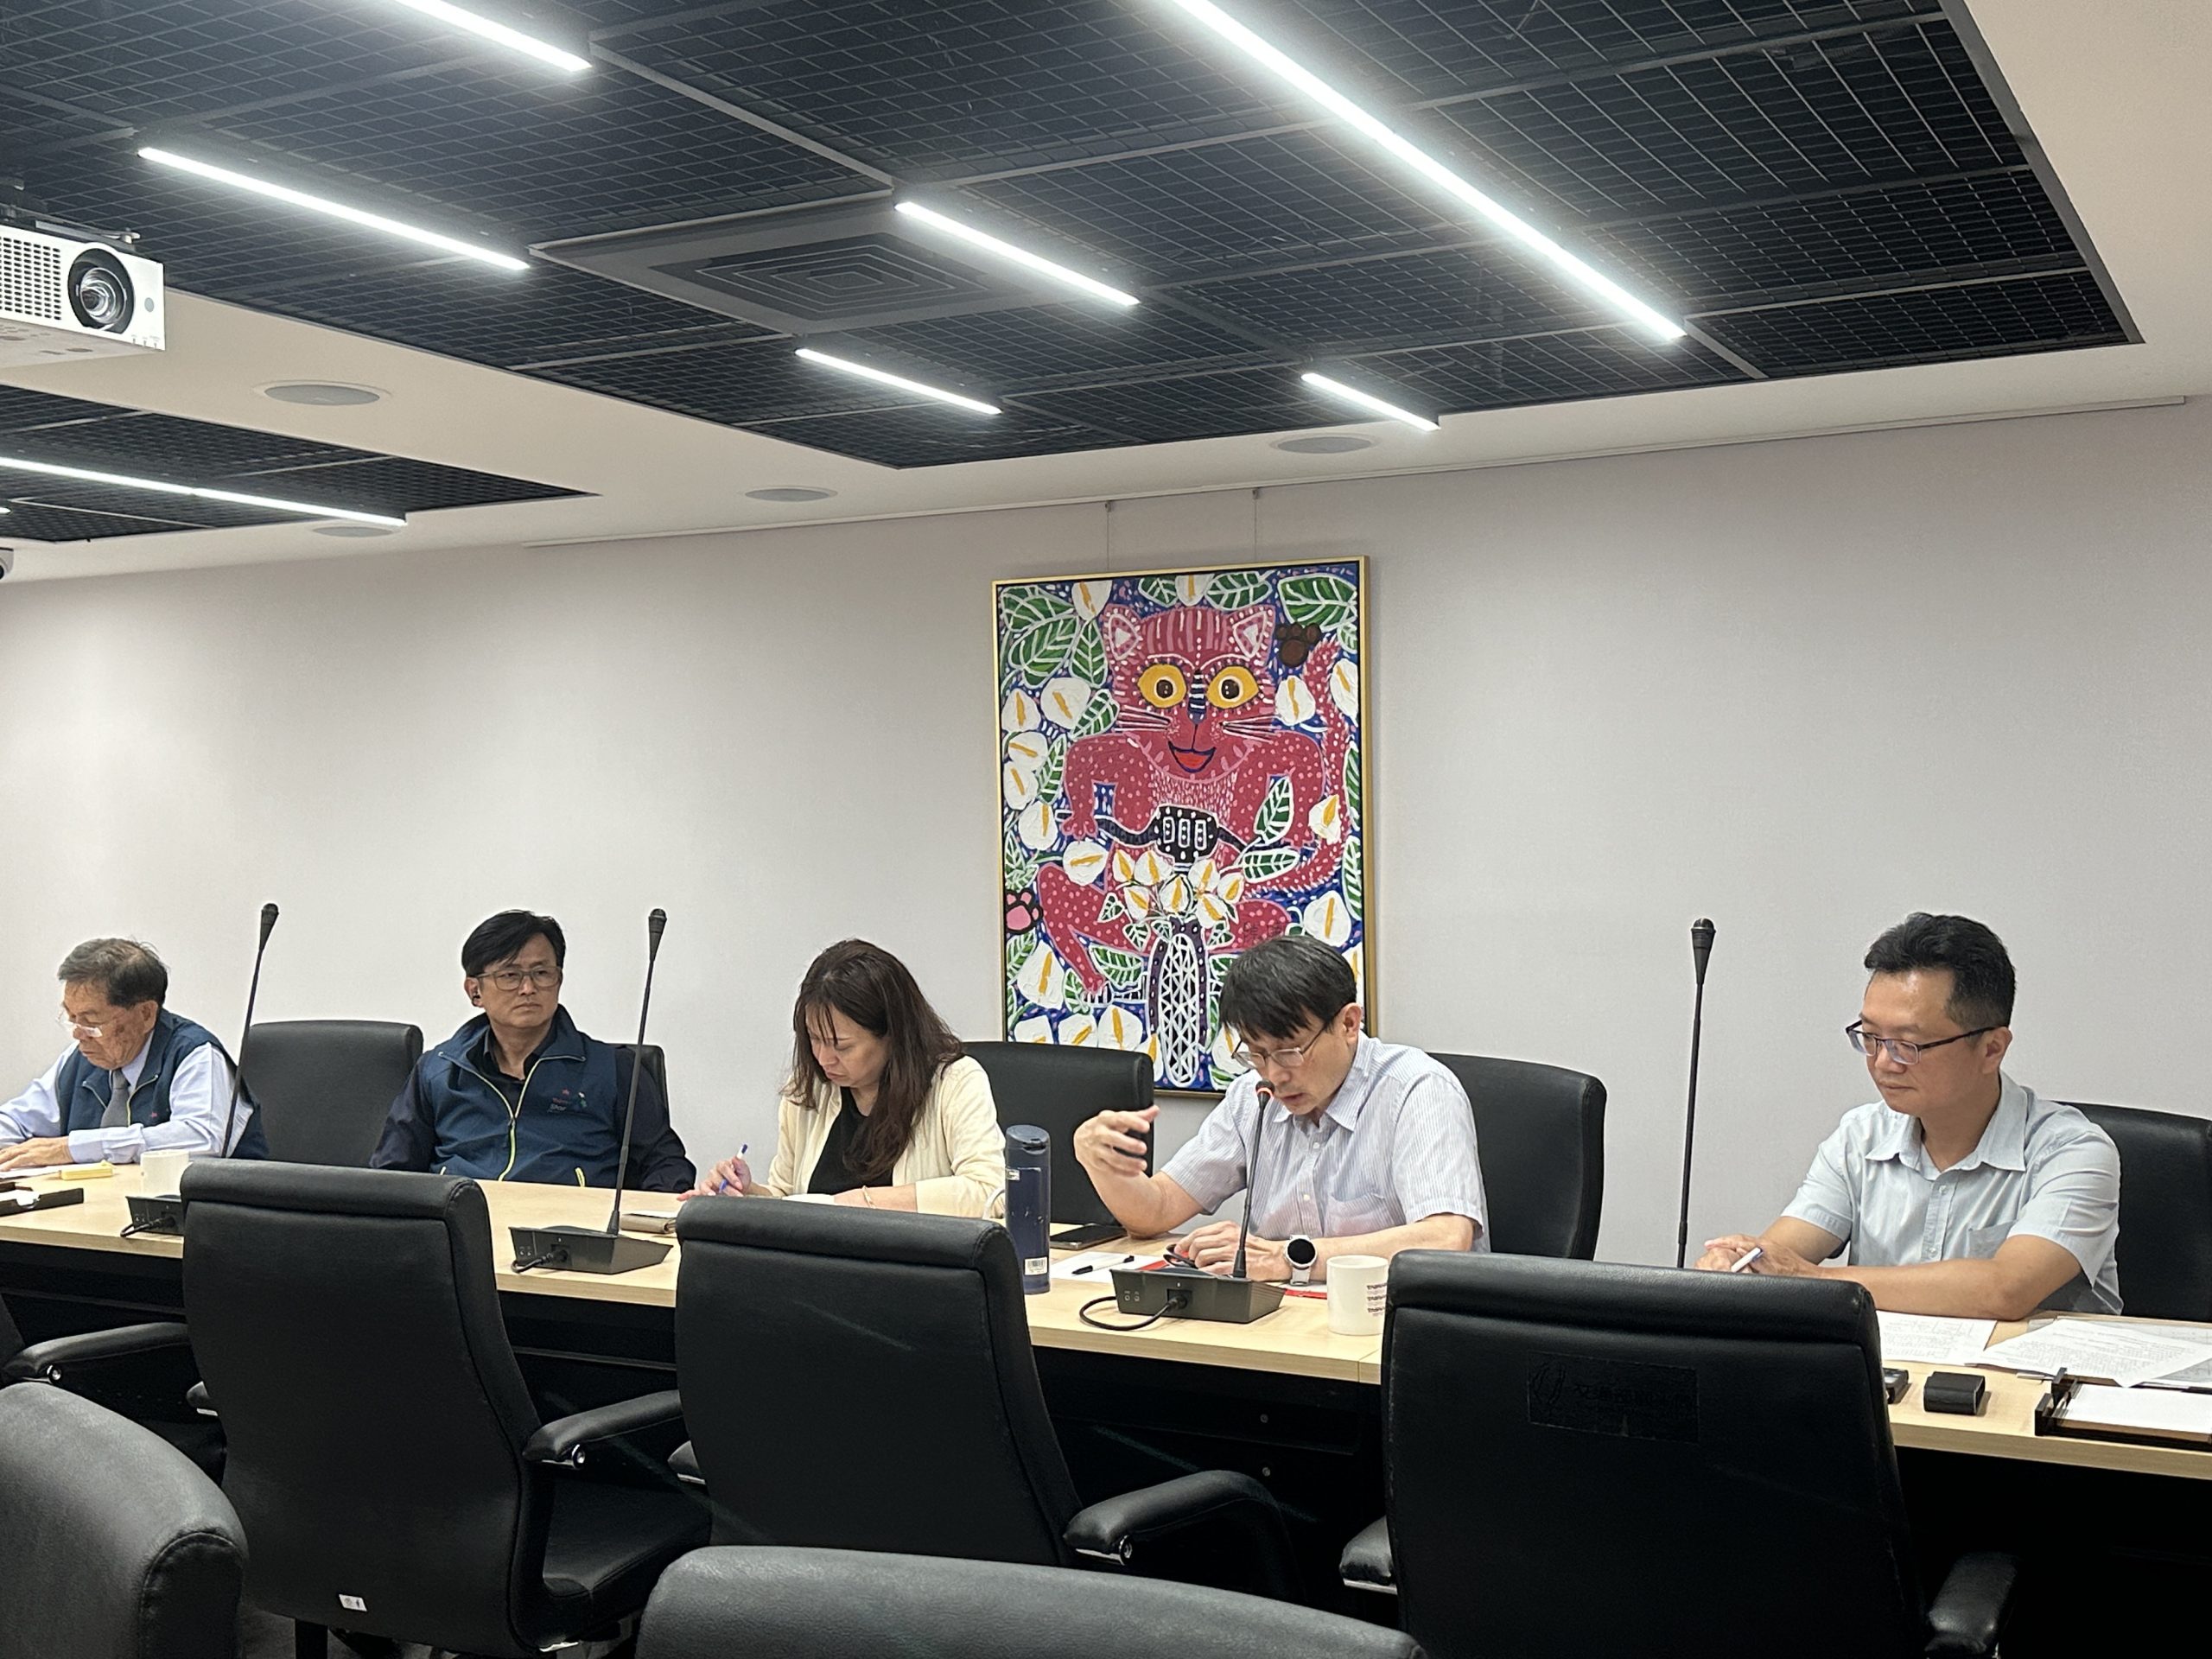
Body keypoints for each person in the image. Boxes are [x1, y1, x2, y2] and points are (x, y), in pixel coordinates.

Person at [1697, 912, 2120, 1319]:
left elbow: (2006, 1289)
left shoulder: (2073, 1152)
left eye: (1908, 1045)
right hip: (1892, 1368)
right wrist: (1738, 1264)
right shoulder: (1860, 1138)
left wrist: (1812, 1279)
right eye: (1870, 1037)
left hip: (2031, 1369)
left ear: (1991, 1049)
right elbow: (1780, 1255)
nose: (1883, 1063)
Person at [1071, 934, 1485, 1282]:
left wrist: (1289, 1258)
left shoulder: (1415, 1089)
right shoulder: (1253, 1097)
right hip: (1284, 1326)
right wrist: (1099, 1163)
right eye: (1256, 1054)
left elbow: (1446, 1238)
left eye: (1290, 1052)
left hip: (1396, 1328)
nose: (1274, 1074)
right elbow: (1155, 1211)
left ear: (1348, 1024)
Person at [371, 910, 693, 1191]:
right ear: (475, 991)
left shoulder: (615, 1070)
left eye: (541, 973)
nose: (528, 988)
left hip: (570, 1230)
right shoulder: (439, 1071)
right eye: (510, 975)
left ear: (559, 980)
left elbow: (666, 1165)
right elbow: (392, 1172)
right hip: (461, 1227)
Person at [690, 940, 1003, 1215]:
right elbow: (787, 1197)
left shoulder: (954, 1082)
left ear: (892, 1035)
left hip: (913, 1263)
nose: (824, 1058)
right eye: (814, 1039)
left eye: (842, 1046)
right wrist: (745, 1195)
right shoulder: (809, 1091)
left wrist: (858, 1203)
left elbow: (990, 1191)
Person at [0, 938, 264, 1168]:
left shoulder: (193, 1054)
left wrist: (74, 1148)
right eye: (72, 1018)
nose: (78, 1034)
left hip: (203, 1209)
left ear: (145, 1014)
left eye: (91, 1021)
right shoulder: (80, 1058)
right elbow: (16, 1121)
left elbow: (202, 1137)